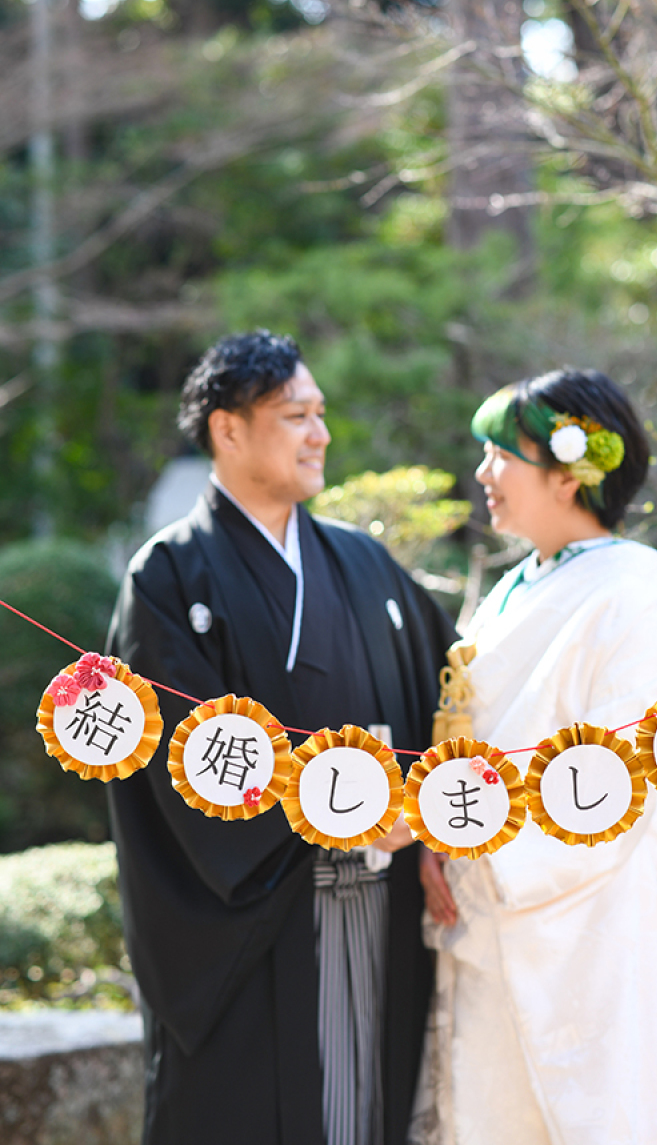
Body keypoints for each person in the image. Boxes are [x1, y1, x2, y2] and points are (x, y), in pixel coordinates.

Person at [106, 330, 454, 1145]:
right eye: (296, 414)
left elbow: (454, 693)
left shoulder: (367, 565)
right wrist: (338, 813)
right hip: (258, 918)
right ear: (228, 429)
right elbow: (181, 755)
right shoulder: (170, 576)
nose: (320, 434)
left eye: (320, 414)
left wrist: (439, 821)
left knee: (370, 1102)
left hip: (384, 894)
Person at [413, 369, 657, 1145]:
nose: (483, 474)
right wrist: (442, 841)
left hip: (572, 927)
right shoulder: (518, 585)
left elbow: (649, 773)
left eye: (500, 454)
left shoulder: (625, 600)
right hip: (486, 910)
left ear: (570, 475)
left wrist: (497, 851)